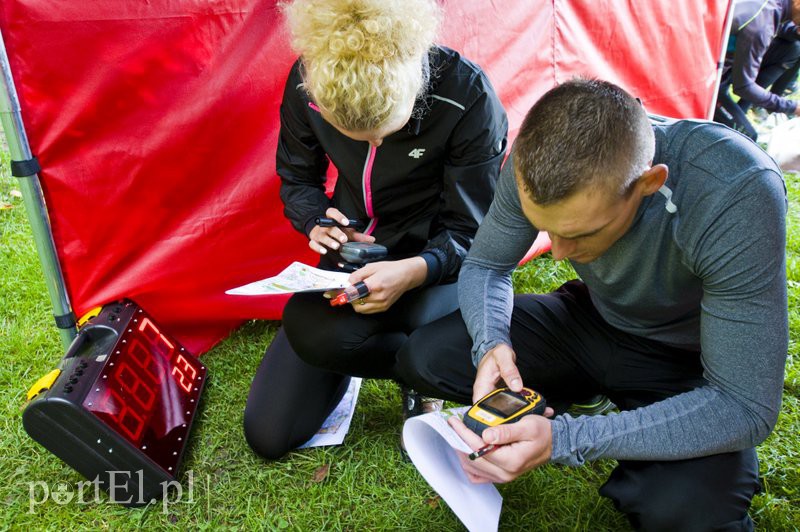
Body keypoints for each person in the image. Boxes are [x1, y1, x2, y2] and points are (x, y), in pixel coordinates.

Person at [398, 79, 788, 530]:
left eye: (580, 233)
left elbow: (744, 406)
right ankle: (573, 399)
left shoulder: (733, 190)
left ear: (648, 183)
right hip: (591, 321)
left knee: (686, 509)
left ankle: (581, 420)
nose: (559, 253)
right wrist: (491, 342)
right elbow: (487, 264)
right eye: (546, 229)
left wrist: (564, 439)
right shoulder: (539, 155)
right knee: (427, 356)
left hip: (689, 363)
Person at [243, 0, 508, 460]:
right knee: (269, 433)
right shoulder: (309, 80)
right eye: (355, 135)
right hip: (356, 259)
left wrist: (415, 270)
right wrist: (317, 221)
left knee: (430, 345)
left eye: (385, 132)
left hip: (439, 262)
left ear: (415, 85)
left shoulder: (468, 97)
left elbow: (476, 233)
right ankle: (411, 360)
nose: (375, 146)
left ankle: (421, 375)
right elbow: (298, 178)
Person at [714, 0, 800, 140]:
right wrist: (793, 107)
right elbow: (743, 87)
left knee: (792, 49)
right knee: (746, 137)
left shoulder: (773, 7)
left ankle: (743, 109)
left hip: (728, 63)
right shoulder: (761, 27)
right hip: (710, 82)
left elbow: (783, 30)